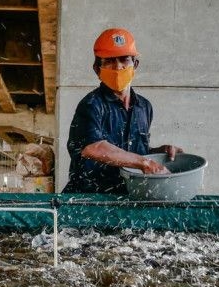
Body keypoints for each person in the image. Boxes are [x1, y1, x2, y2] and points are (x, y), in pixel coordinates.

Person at [63, 28, 184, 194]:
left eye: (124, 59)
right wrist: (145, 163)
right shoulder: (91, 105)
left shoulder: (144, 107)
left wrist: (157, 153)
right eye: (109, 61)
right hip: (89, 201)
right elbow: (94, 148)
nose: (118, 67)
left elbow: (131, 153)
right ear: (97, 69)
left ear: (135, 65)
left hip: (128, 197)